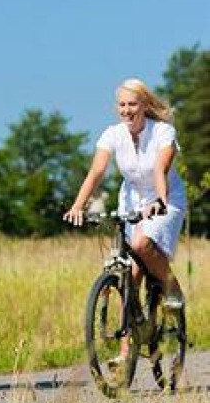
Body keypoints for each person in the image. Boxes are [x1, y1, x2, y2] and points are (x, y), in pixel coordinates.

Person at [64, 78, 187, 365]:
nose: (127, 110)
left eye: (132, 104)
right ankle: (124, 353)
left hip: (164, 198)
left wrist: (159, 200)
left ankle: (171, 289)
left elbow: (161, 167)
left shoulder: (163, 132)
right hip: (130, 199)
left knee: (142, 244)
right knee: (127, 277)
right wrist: (78, 205)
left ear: (144, 105)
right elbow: (96, 171)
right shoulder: (112, 134)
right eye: (122, 105)